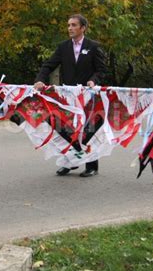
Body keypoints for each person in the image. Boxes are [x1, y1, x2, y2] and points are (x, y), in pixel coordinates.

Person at [34, 14, 106, 177]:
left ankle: (91, 166)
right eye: (68, 25)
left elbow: (101, 70)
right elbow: (48, 65)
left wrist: (93, 81)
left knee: (88, 131)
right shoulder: (63, 47)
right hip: (67, 97)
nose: (70, 28)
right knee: (66, 129)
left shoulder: (93, 47)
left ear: (83, 28)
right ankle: (70, 162)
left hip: (88, 96)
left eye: (74, 25)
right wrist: (40, 80)